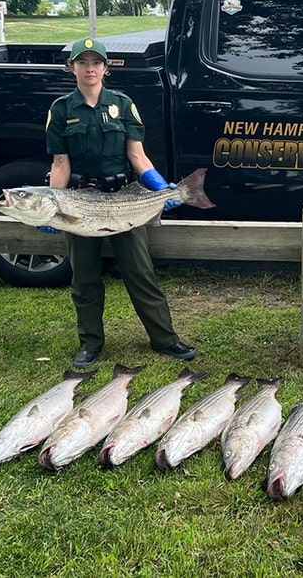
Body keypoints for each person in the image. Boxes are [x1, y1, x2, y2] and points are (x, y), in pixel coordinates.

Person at [42, 37, 197, 369]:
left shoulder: (123, 105)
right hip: (80, 202)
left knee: (140, 272)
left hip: (124, 199)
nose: (89, 68)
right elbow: (60, 163)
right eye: (82, 62)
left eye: (96, 62)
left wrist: (159, 186)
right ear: (71, 67)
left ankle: (165, 338)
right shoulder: (61, 110)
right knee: (84, 278)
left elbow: (136, 156)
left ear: (106, 68)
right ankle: (90, 342)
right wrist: (53, 204)